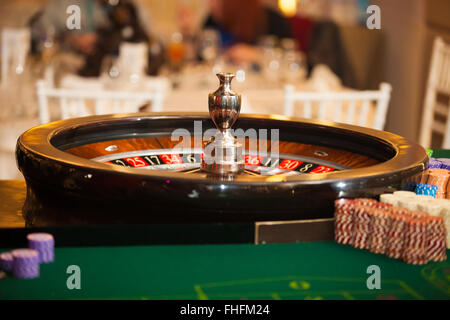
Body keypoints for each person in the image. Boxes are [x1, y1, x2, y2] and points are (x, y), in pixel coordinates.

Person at [202, 0, 292, 65]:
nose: (210, 4)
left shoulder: (272, 20)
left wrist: (257, 56)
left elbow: (290, 57)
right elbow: (201, 58)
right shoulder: (211, 22)